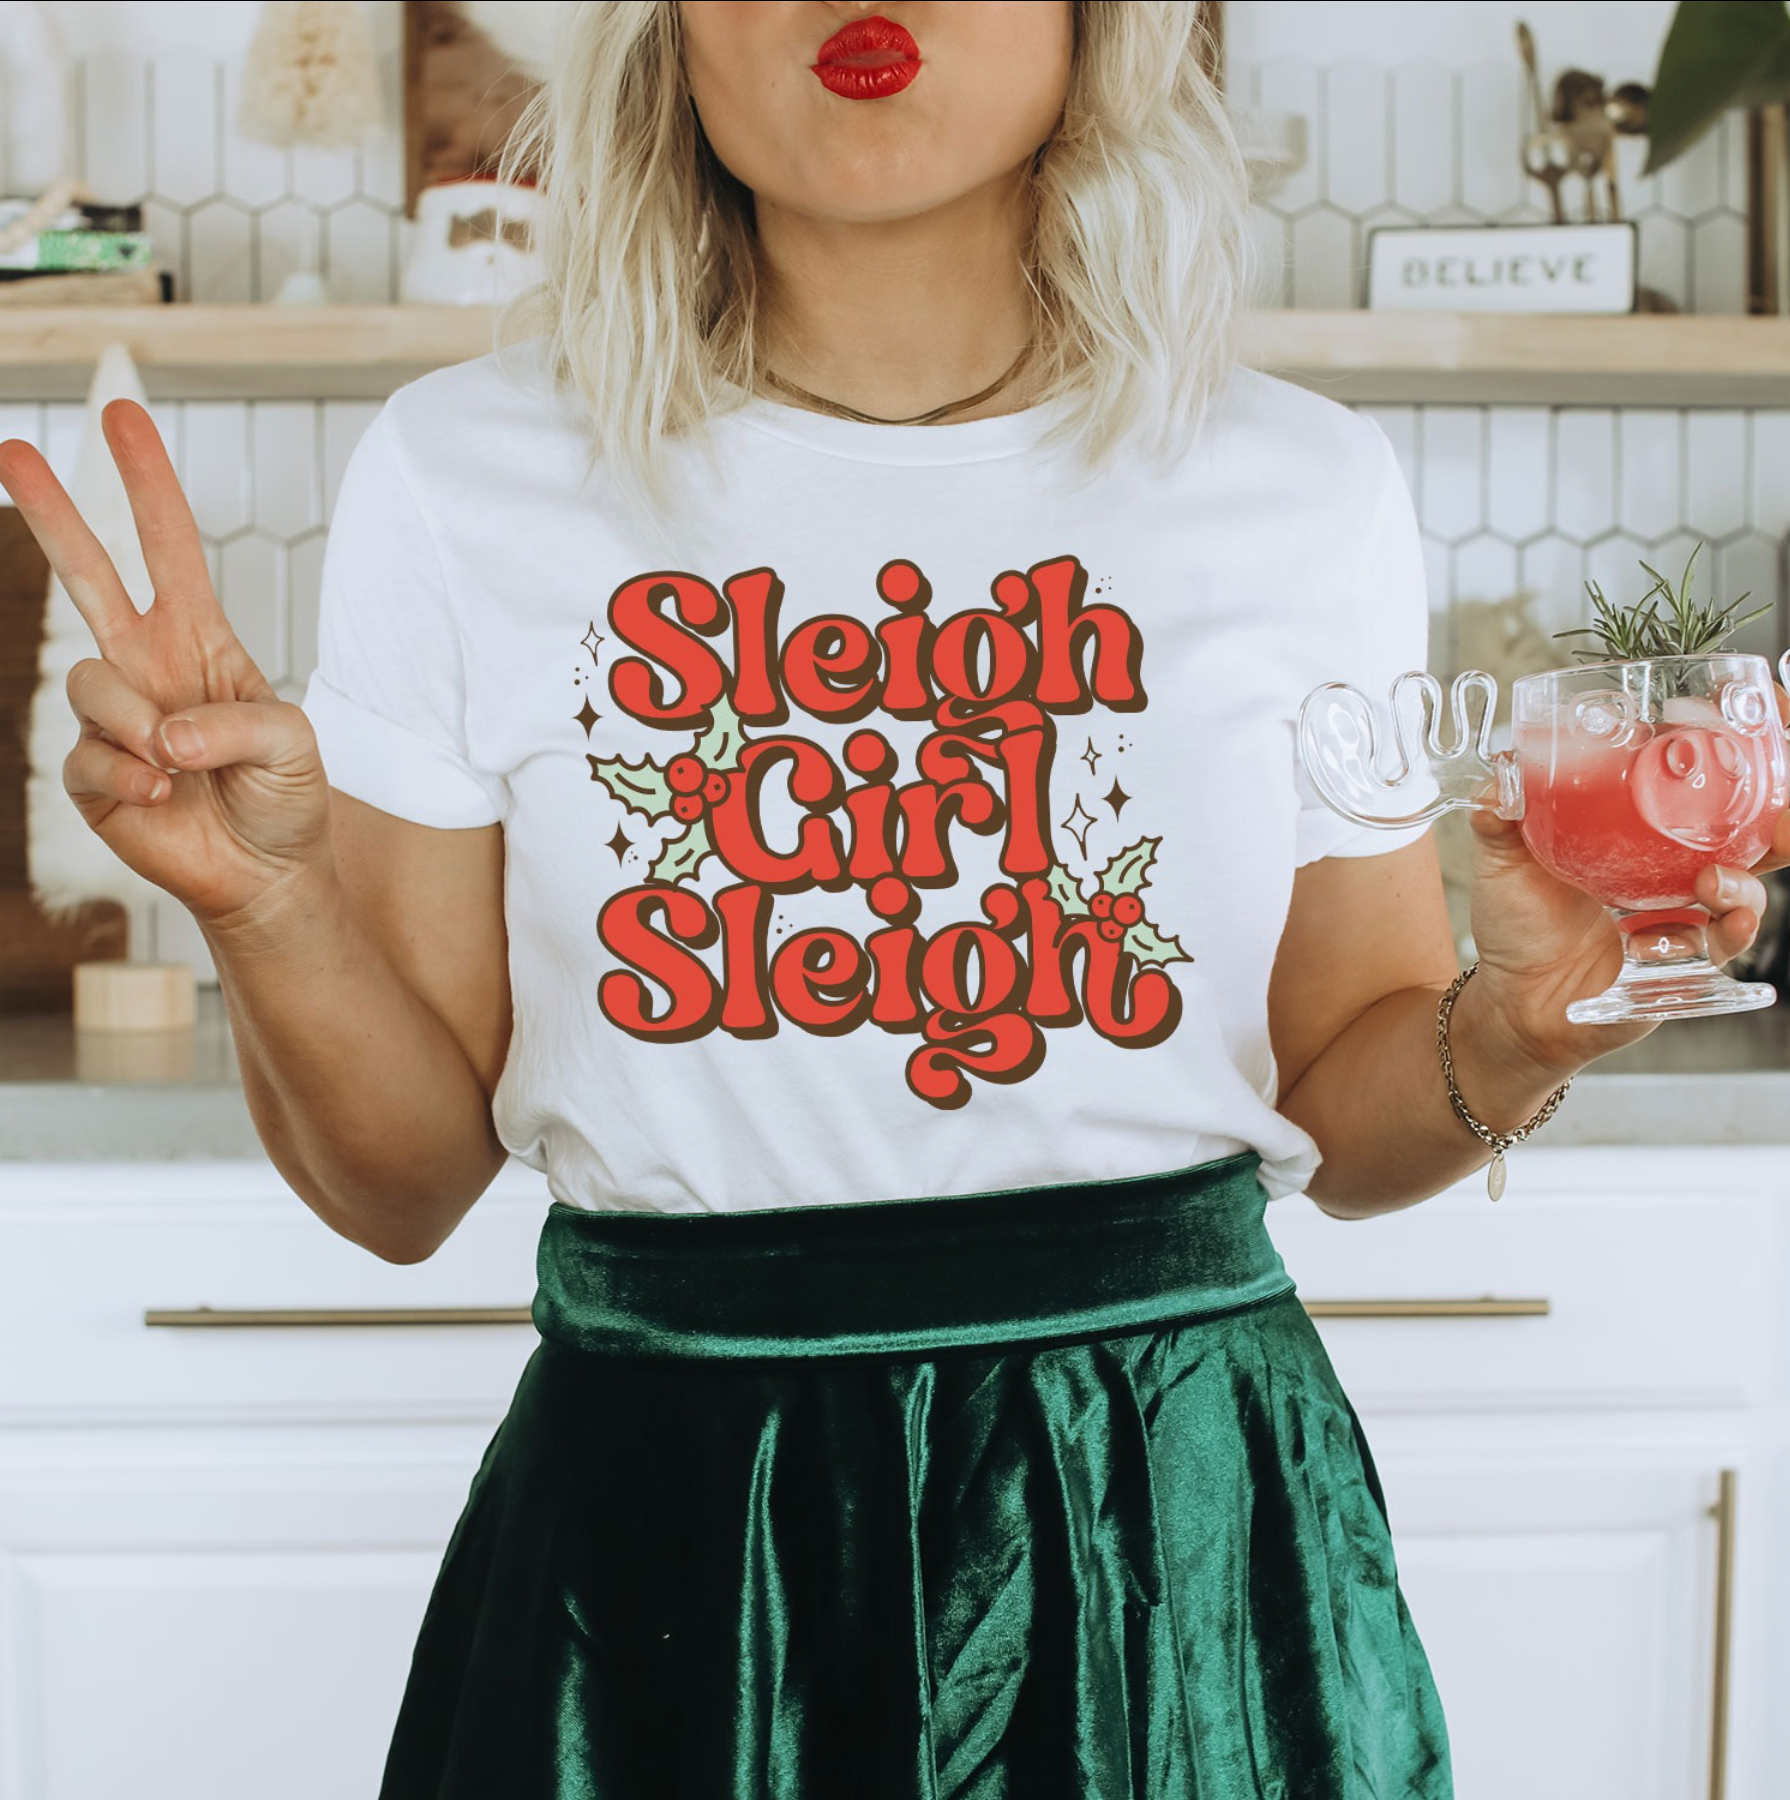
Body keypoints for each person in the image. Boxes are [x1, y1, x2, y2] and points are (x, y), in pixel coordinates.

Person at [2, 3, 1779, 1795]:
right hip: (664, 1531)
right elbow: (402, 1190)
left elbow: (1361, 1109)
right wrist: (268, 906)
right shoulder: (463, 478)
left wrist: (1522, 1027)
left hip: (1172, 1521)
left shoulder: (1298, 490)